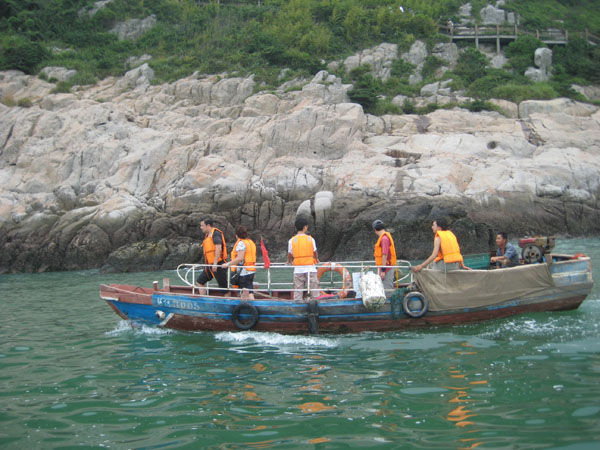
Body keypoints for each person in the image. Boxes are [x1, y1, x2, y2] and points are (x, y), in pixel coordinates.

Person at [287, 216, 320, 301]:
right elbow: (315, 252)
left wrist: (289, 261)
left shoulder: (292, 240)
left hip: (298, 269)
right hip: (310, 268)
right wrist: (316, 259)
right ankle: (315, 303)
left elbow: (289, 254)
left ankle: (298, 304)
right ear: (305, 227)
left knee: (298, 290)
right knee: (314, 290)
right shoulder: (310, 239)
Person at [222, 225, 256, 299]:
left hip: (244, 272)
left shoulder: (241, 243)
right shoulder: (250, 242)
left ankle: (246, 305)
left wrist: (228, 264)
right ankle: (250, 304)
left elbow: (239, 258)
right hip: (251, 270)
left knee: (245, 292)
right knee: (249, 291)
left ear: (236, 235)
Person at [196, 217, 228, 294]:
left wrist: (215, 263)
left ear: (208, 225)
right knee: (200, 281)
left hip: (219, 264)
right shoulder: (207, 235)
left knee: (224, 288)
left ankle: (228, 299)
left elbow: (218, 248)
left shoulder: (216, 234)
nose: (201, 227)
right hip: (210, 265)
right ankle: (204, 299)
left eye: (202, 225)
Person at [372, 219, 397, 292]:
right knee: (383, 287)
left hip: (386, 268)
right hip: (385, 267)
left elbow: (385, 255)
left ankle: (388, 299)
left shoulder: (384, 239)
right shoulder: (385, 237)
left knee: (387, 289)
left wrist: (383, 270)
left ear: (375, 230)